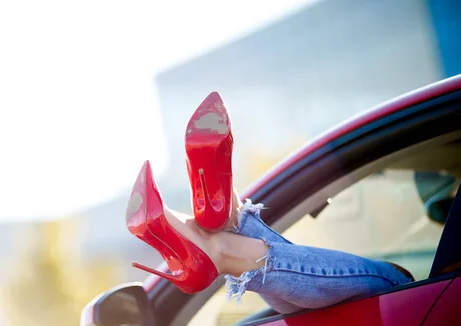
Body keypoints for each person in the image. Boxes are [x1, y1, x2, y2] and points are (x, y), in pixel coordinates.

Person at [125, 92, 414, 314]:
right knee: (395, 281)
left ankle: (223, 239)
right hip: (416, 304)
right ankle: (228, 227)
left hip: (416, 307)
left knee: (392, 281)